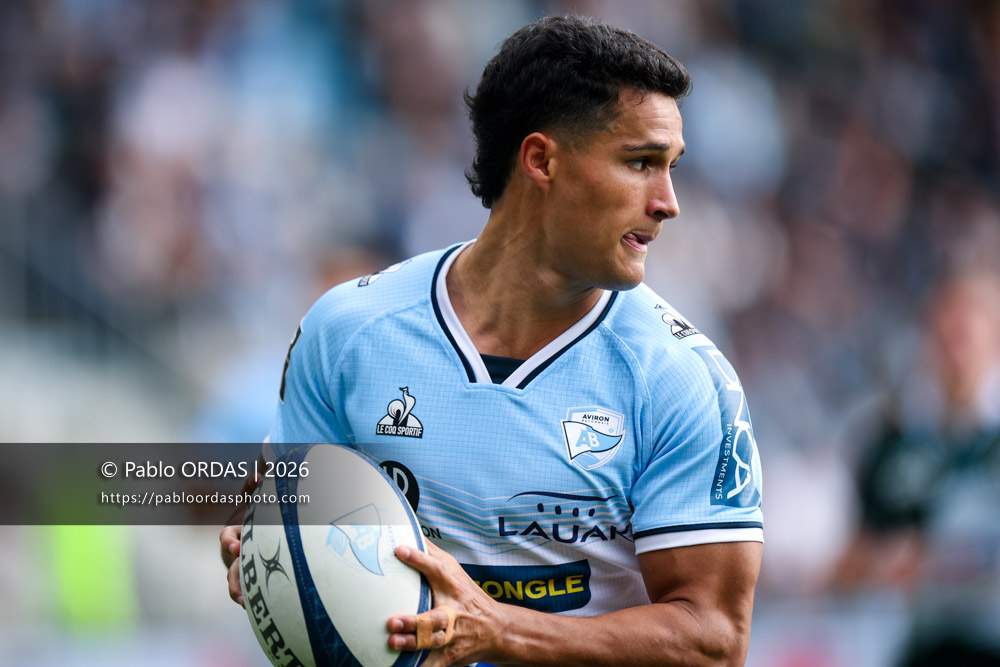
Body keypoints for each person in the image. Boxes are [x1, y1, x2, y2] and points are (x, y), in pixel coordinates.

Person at [221, 15, 763, 667]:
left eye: (671, 166)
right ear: (541, 160)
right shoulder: (346, 334)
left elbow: (715, 640)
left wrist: (503, 630)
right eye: (641, 162)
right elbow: (295, 525)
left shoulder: (682, 378)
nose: (668, 201)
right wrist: (269, 554)